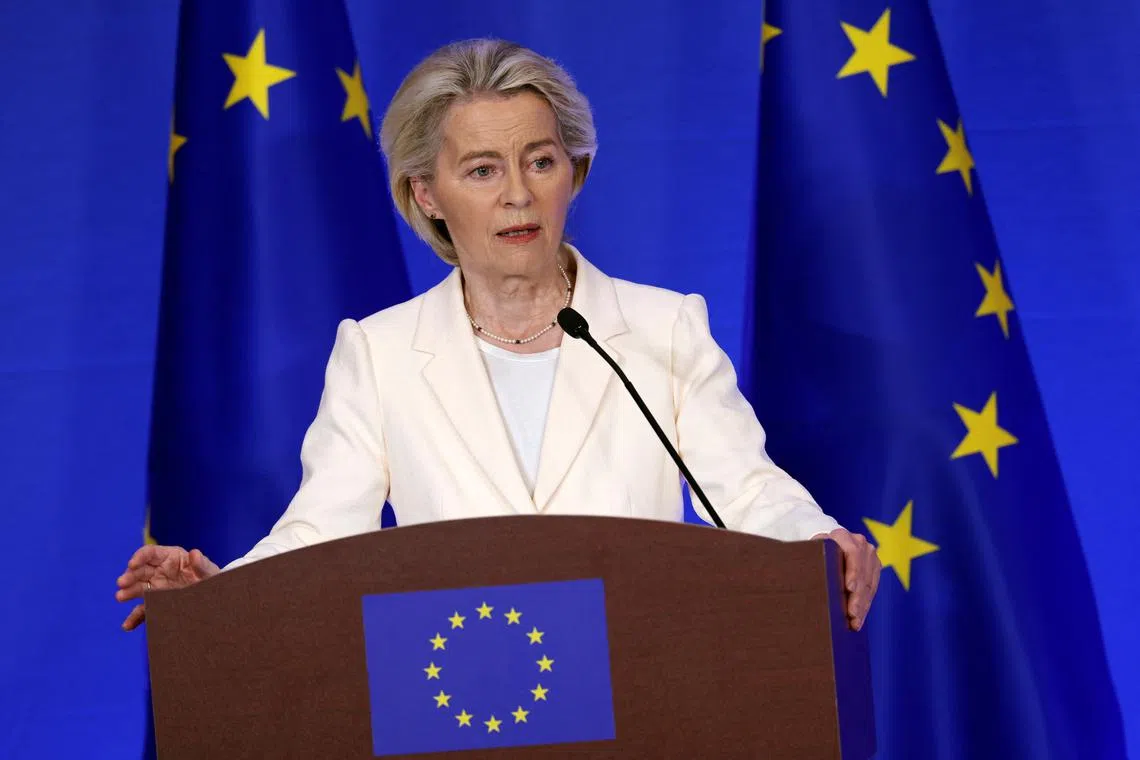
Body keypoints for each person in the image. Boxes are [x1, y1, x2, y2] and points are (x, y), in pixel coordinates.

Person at [117, 38, 880, 633]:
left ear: (573, 175)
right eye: (482, 170)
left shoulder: (661, 328)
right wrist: (222, 593)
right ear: (427, 194)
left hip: (647, 676)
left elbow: (744, 489)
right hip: (464, 695)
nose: (519, 193)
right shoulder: (379, 353)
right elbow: (321, 530)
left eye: (540, 161)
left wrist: (821, 542)